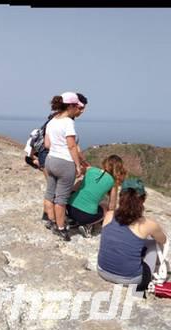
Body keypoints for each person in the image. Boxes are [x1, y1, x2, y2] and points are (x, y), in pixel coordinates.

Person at [96, 178, 164, 292]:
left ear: (121, 197)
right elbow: (163, 240)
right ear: (143, 200)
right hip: (131, 280)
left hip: (102, 271)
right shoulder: (148, 224)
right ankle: (139, 292)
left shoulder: (109, 215)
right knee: (152, 244)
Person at [43, 92, 89, 235]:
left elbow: (47, 144)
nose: (79, 109)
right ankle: (61, 228)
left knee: (50, 194)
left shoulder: (52, 121)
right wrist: (77, 165)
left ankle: (50, 221)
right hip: (64, 163)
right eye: (77, 106)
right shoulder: (68, 122)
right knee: (61, 199)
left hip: (50, 160)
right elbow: (71, 146)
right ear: (70, 106)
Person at [64, 155, 127, 239]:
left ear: (105, 163)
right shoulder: (113, 183)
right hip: (85, 217)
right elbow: (112, 206)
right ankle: (87, 226)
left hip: (69, 209)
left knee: (80, 183)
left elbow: (80, 174)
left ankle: (73, 220)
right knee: (105, 207)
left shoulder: (90, 169)